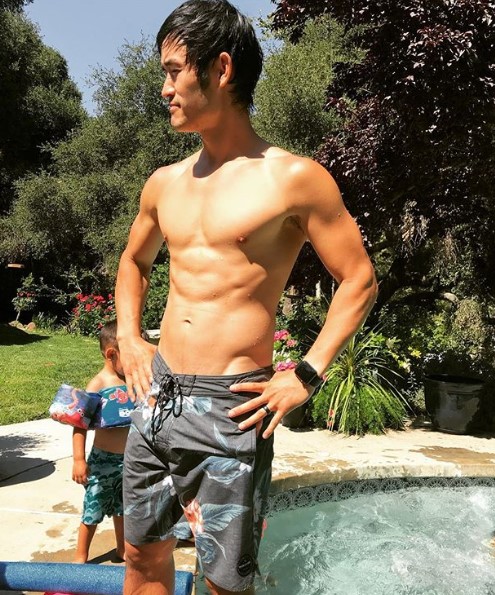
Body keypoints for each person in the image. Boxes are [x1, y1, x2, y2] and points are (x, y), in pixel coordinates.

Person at [114, 1, 377, 593]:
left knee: (224, 583)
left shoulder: (293, 178)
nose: (165, 89)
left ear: (221, 68)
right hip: (158, 396)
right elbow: (134, 262)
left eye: (174, 72)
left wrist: (306, 373)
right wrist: (129, 335)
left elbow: (359, 279)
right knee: (139, 557)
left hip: (231, 408)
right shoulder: (164, 182)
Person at [71, 320, 129, 563]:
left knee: (123, 508)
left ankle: (122, 549)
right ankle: (81, 557)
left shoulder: (132, 379)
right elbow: (79, 424)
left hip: (129, 460)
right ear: (111, 354)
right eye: (131, 355)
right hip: (102, 461)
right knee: (93, 508)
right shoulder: (98, 385)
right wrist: (79, 460)